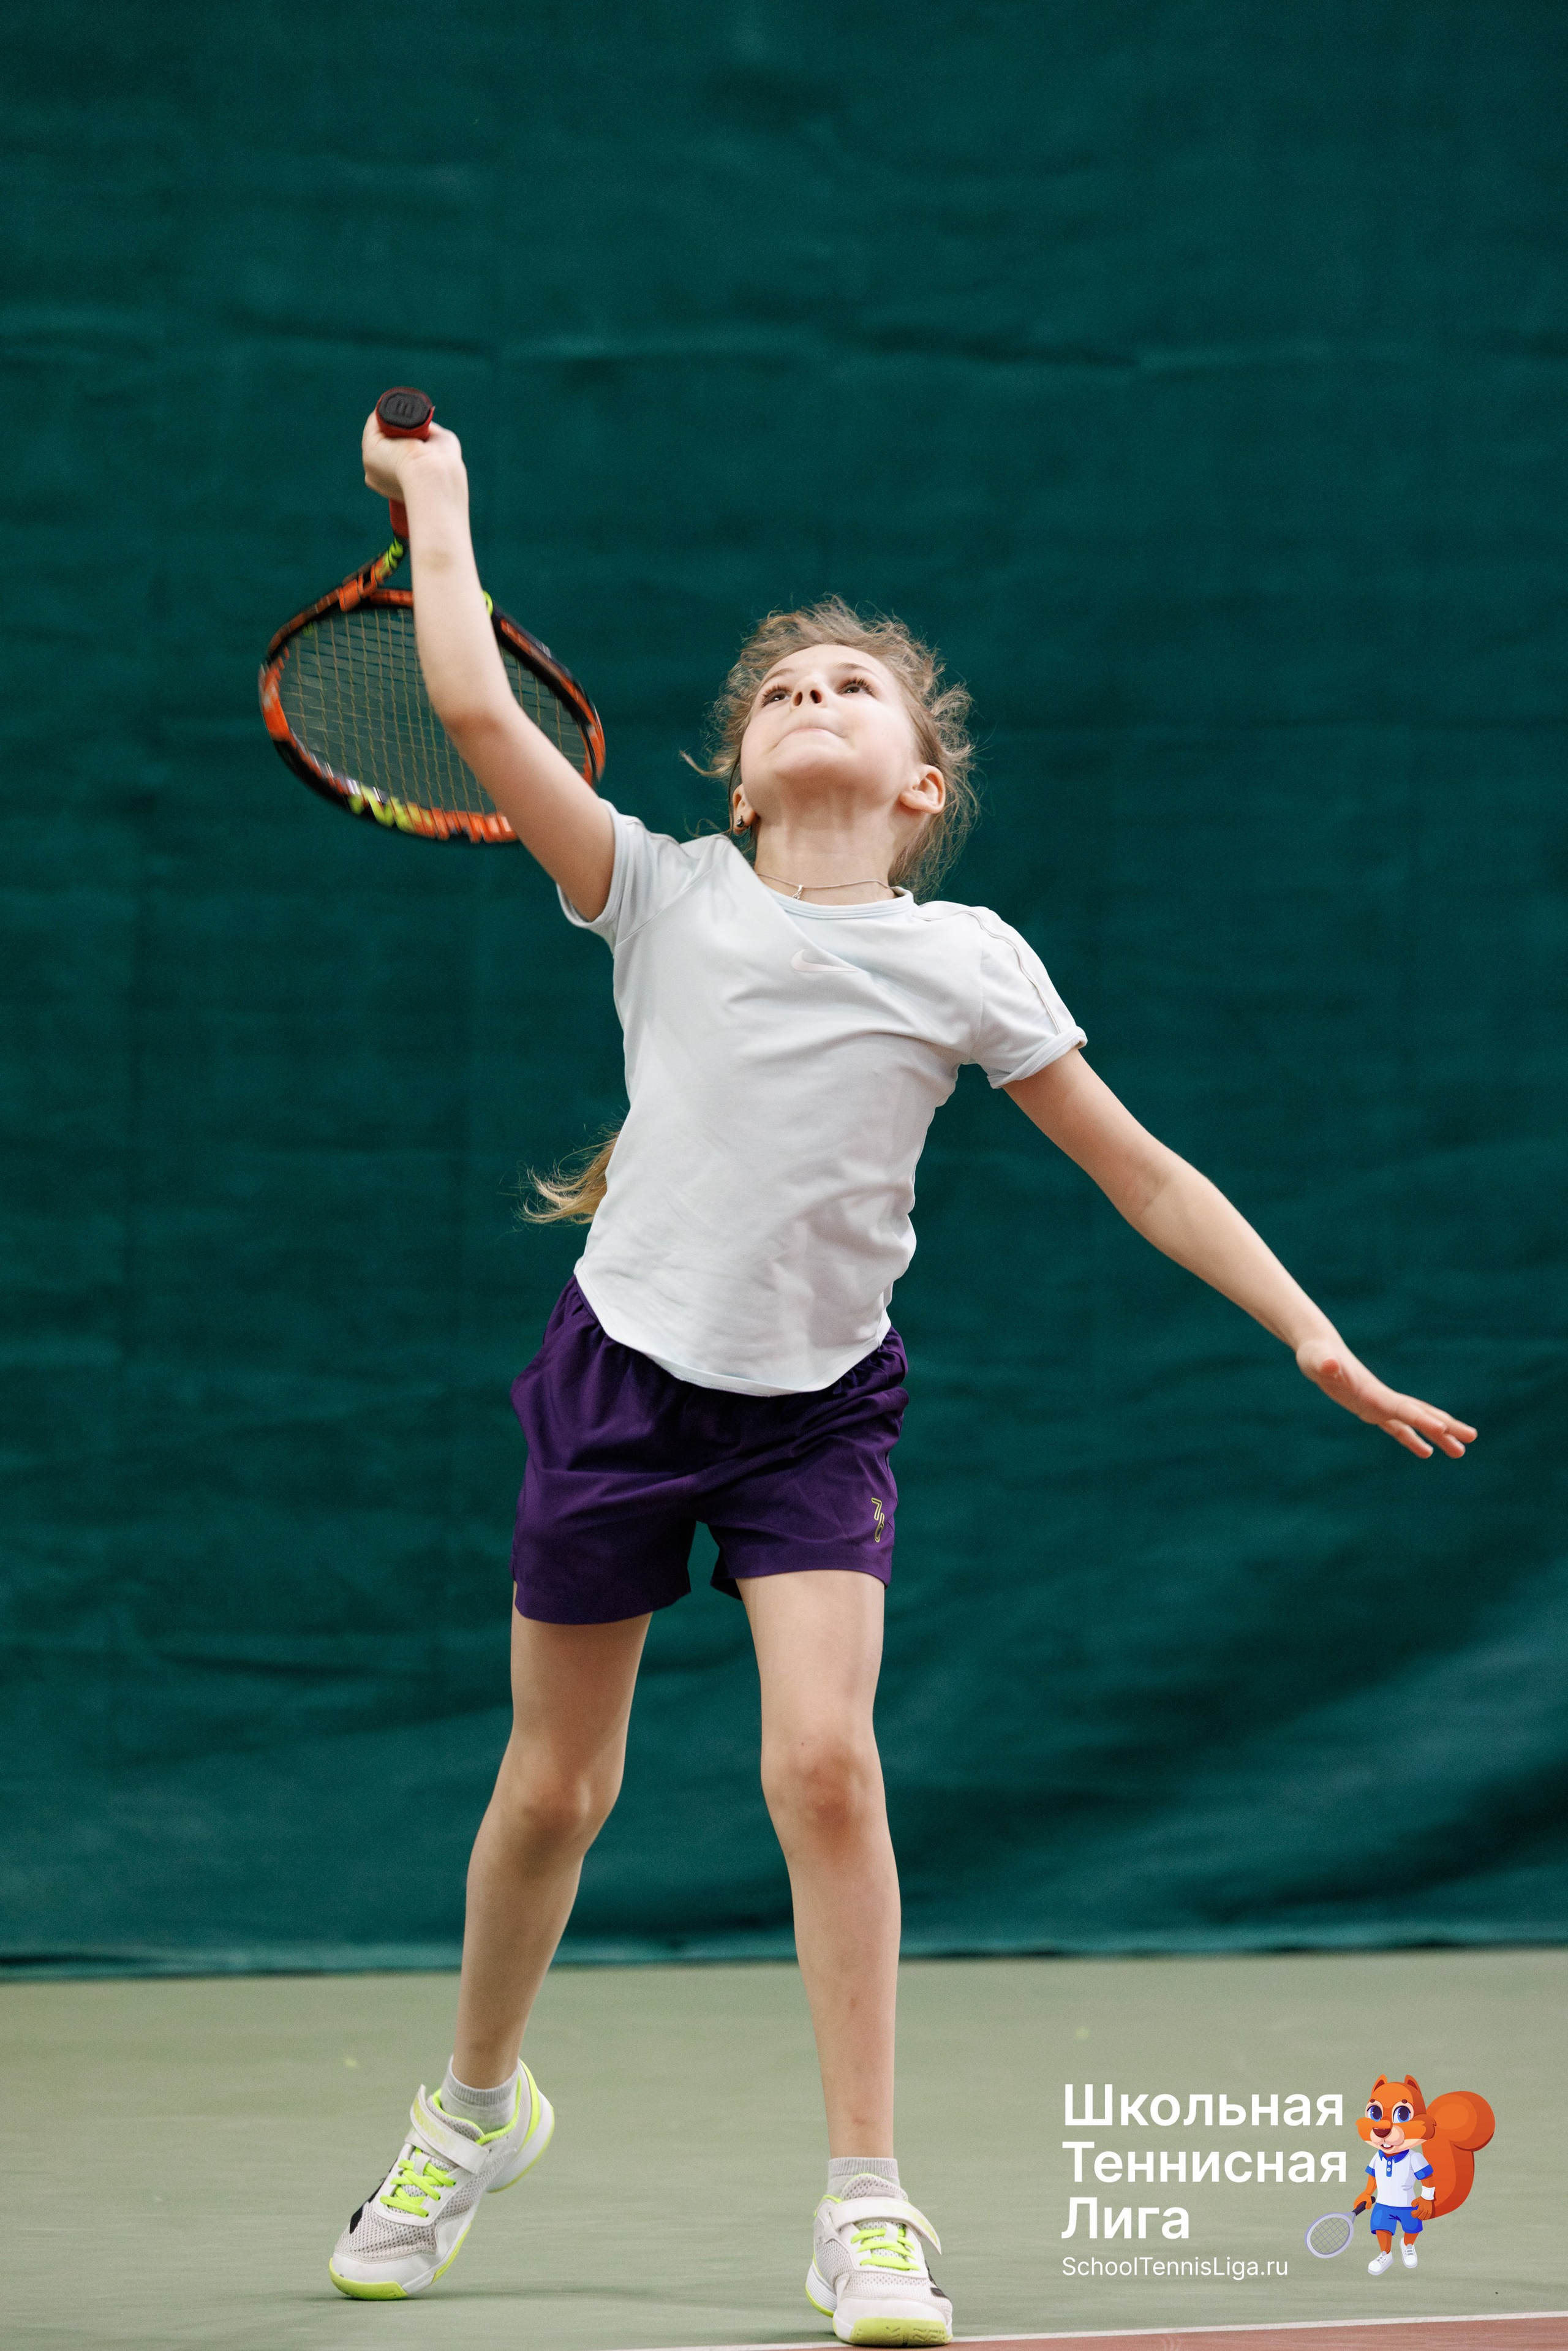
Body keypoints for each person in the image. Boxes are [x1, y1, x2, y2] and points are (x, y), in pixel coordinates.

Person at [327, 406, 1476, 2336]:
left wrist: (1314, 1333)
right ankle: (473, 2112)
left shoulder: (971, 962)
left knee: (824, 1764)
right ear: (744, 776)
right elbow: (465, 701)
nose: (815, 692)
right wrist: (434, 497)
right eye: (782, 685)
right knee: (554, 1792)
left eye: (852, 683)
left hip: (815, 1412)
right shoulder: (656, 888)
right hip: (619, 1382)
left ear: (918, 780)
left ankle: (866, 2198)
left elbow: (1145, 1170)